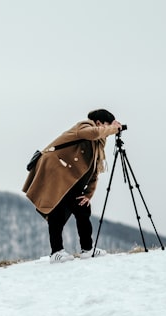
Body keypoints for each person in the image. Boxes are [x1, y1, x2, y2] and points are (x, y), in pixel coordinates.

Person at [22, 109, 122, 263]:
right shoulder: (83, 126)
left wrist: (88, 195)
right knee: (59, 212)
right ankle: (61, 252)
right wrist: (115, 128)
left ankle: (83, 250)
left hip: (67, 178)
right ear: (99, 123)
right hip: (55, 172)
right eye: (107, 127)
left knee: (77, 208)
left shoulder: (98, 145)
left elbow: (94, 171)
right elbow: (93, 133)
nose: (108, 133)